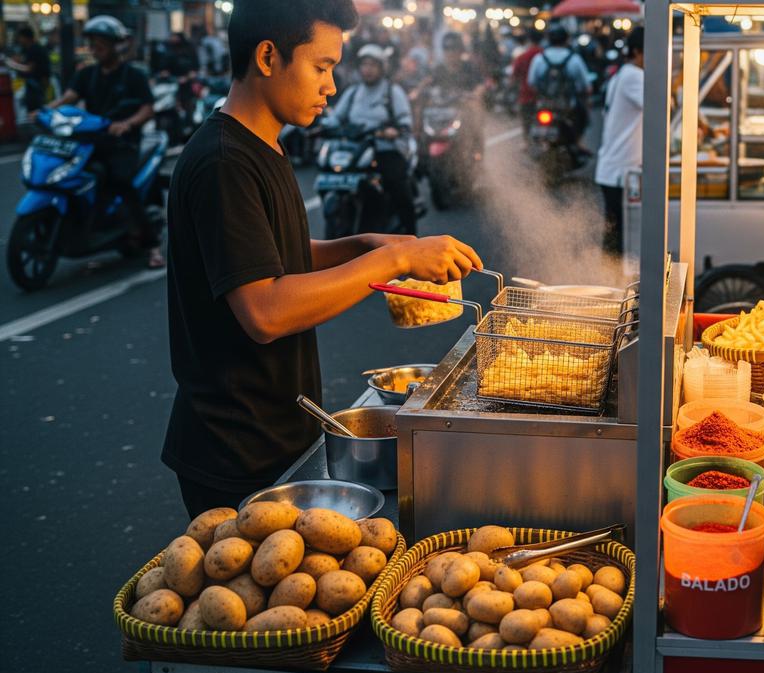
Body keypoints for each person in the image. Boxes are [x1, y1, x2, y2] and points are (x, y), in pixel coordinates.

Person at [162, 0, 482, 518]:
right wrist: (389, 261)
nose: (331, 86)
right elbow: (265, 309)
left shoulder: (264, 146)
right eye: (322, 67)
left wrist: (372, 246)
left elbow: (274, 257)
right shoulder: (225, 163)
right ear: (268, 57)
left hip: (279, 428)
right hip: (236, 446)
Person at [46, 16, 160, 268]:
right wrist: (45, 111)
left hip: (123, 146)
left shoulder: (134, 76)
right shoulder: (87, 74)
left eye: (101, 44)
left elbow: (147, 109)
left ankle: (152, 246)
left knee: (121, 184)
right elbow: (69, 98)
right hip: (91, 143)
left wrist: (127, 124)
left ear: (115, 46)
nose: (95, 49)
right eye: (93, 44)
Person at [325, 44, 418, 234]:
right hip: (355, 150)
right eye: (364, 64)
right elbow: (336, 117)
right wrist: (320, 125)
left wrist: (393, 131)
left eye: (372, 65)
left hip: (386, 149)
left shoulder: (393, 92)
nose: (367, 69)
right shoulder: (353, 92)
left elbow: (405, 121)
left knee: (398, 187)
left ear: (382, 68)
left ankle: (411, 236)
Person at [594, 27, 643, 256]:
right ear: (636, 52)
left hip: (613, 166)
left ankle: (610, 283)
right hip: (620, 169)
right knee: (618, 238)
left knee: (615, 235)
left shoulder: (623, 73)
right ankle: (612, 286)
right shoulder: (634, 75)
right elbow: (663, 104)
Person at [528, 25, 591, 155]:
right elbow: (586, 86)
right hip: (568, 106)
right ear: (566, 40)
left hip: (544, 104)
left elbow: (531, 83)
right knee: (583, 115)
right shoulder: (574, 59)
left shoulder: (539, 59)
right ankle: (579, 142)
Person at [6, 26, 51, 115]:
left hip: (37, 86)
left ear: (25, 37)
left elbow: (28, 69)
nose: (19, 40)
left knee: (36, 111)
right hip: (34, 85)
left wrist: (12, 65)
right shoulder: (28, 49)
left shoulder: (34, 49)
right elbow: (23, 61)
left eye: (20, 37)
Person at [510, 28, 542, 139]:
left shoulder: (523, 56)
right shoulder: (545, 55)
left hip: (526, 96)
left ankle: (526, 141)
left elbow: (514, 75)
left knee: (526, 120)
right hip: (545, 97)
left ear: (529, 40)